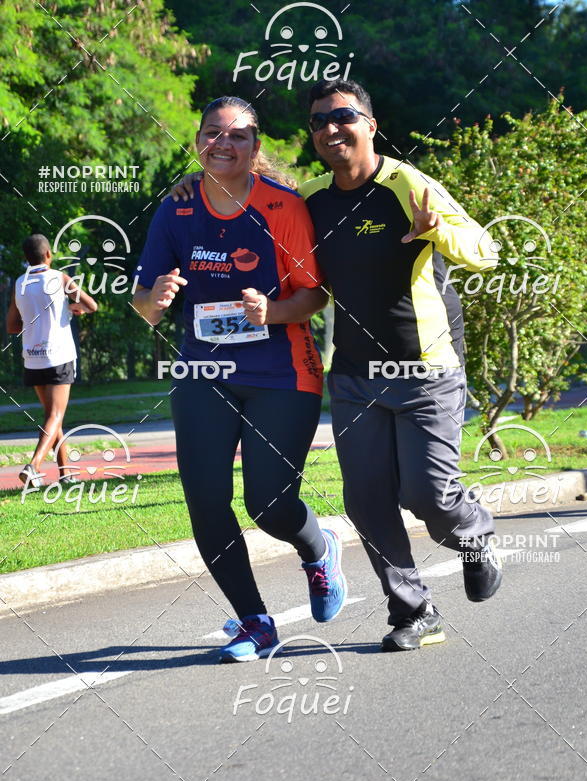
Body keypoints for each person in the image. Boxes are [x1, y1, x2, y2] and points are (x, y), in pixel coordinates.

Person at [172, 80, 502, 653]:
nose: (331, 129)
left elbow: (485, 250)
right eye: (319, 121)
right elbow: (279, 237)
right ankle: (414, 610)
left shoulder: (408, 185)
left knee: (430, 496)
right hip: (353, 375)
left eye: (343, 117)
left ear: (370, 124)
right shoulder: (314, 197)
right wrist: (198, 184)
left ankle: (473, 538)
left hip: (425, 371)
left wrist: (440, 230)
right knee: (366, 500)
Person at [133, 95, 347, 663]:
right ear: (198, 140)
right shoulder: (175, 208)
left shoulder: (284, 208)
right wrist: (153, 299)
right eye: (212, 133)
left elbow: (313, 294)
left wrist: (270, 313)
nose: (222, 143)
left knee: (270, 504)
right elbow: (144, 304)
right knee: (205, 499)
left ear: (256, 146)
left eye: (237, 135)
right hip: (203, 371)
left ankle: (319, 548)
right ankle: (255, 622)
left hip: (281, 371)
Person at [6, 234, 98, 488]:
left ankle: (66, 473)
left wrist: (34, 317)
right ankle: (33, 466)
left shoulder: (20, 283)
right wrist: (70, 308)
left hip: (32, 358)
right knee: (56, 415)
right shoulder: (59, 278)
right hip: (59, 356)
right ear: (49, 255)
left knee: (51, 417)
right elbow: (92, 305)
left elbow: (12, 326)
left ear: (26, 258)